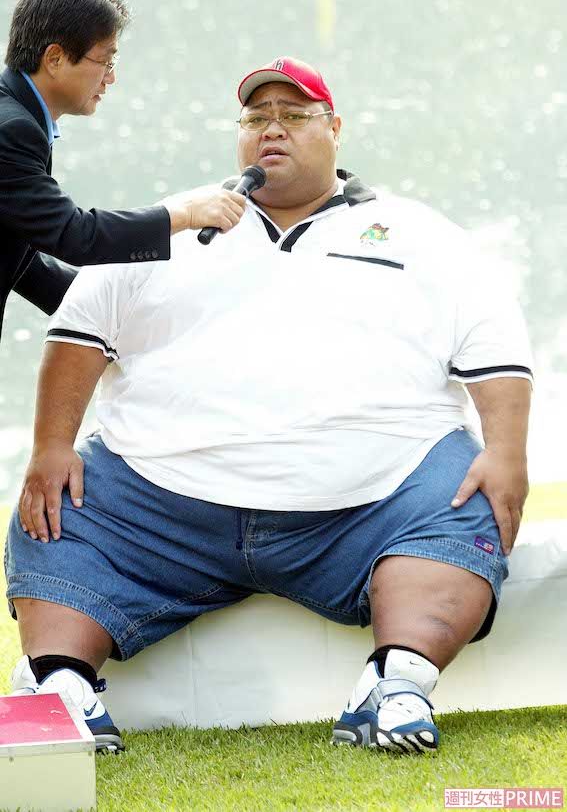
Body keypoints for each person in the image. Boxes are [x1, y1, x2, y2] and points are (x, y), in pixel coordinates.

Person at [4, 56, 532, 754]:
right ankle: (63, 684)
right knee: (56, 509)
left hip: (367, 502)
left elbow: (496, 350)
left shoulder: (416, 232)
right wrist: (51, 445)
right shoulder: (170, 225)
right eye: (256, 118)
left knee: (462, 499)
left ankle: (397, 681)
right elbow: (78, 333)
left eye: (293, 116)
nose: (271, 130)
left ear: (335, 129)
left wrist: (507, 453)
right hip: (162, 505)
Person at [0, 0, 245, 340]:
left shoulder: (16, 115)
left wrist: (120, 316)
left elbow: (22, 254)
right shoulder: (12, 131)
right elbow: (73, 234)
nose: (110, 78)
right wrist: (185, 213)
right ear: (55, 58)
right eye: (106, 61)